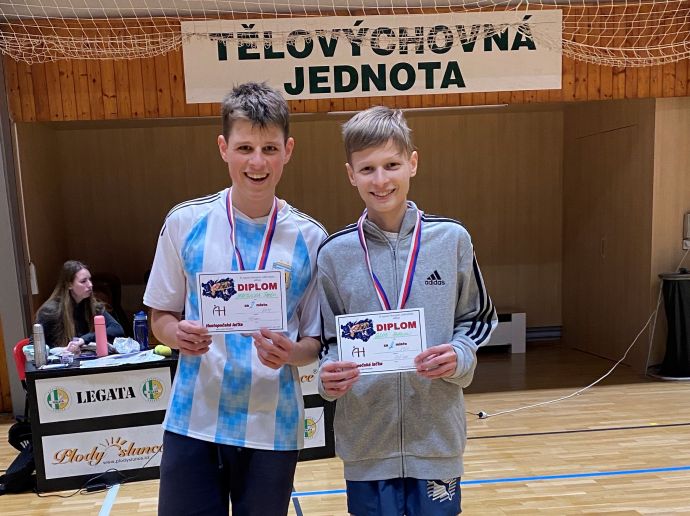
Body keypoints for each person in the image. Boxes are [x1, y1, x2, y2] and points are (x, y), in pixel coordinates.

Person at [144, 82, 327, 516]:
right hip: (194, 421)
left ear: (288, 150)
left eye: (269, 148)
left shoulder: (311, 238)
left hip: (272, 427)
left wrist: (290, 353)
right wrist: (177, 333)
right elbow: (160, 315)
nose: (257, 162)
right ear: (224, 148)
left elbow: (315, 343)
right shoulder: (185, 222)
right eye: (245, 147)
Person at [317, 106, 497, 516]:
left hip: (435, 438)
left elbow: (477, 318)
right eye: (367, 169)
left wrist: (459, 355)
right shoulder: (334, 254)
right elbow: (328, 340)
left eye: (391, 165)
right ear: (350, 174)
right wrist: (328, 376)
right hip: (367, 442)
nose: (381, 180)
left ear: (412, 163)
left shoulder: (451, 239)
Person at [34, 260, 124, 353]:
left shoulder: (93, 305)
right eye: (83, 281)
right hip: (61, 359)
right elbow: (34, 346)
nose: (90, 285)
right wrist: (61, 350)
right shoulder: (50, 311)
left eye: (89, 280)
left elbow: (117, 329)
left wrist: (84, 339)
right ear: (69, 285)